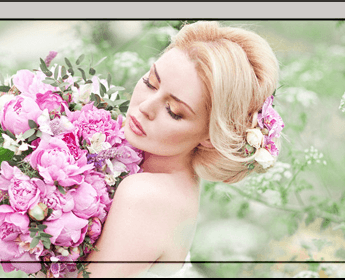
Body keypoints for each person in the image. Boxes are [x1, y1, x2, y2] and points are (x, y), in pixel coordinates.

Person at [78, 21, 281, 278]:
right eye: (150, 82)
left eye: (174, 111)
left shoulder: (146, 195)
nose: (145, 107)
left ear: (210, 136)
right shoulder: (175, 178)